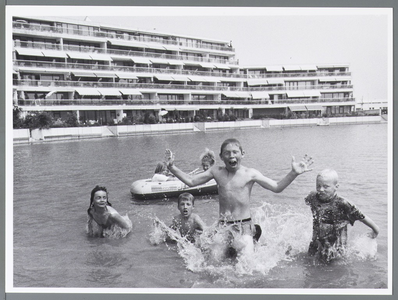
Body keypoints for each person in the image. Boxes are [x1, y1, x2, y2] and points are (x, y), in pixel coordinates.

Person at [165, 138, 313, 258]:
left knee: (247, 263)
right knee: (214, 260)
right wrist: (172, 167)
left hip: (244, 226)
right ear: (221, 156)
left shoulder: (250, 173)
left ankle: (254, 239)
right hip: (223, 226)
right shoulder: (216, 171)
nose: (232, 156)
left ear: (243, 154)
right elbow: (191, 181)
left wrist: (293, 173)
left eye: (235, 152)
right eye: (227, 153)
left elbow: (277, 187)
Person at [304, 169, 379, 262]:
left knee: (336, 269)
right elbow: (308, 202)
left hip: (337, 247)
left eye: (325, 186)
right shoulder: (313, 197)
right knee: (310, 267)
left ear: (336, 186)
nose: (321, 189)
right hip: (316, 243)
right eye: (318, 186)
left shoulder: (343, 203)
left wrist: (375, 230)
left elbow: (362, 217)